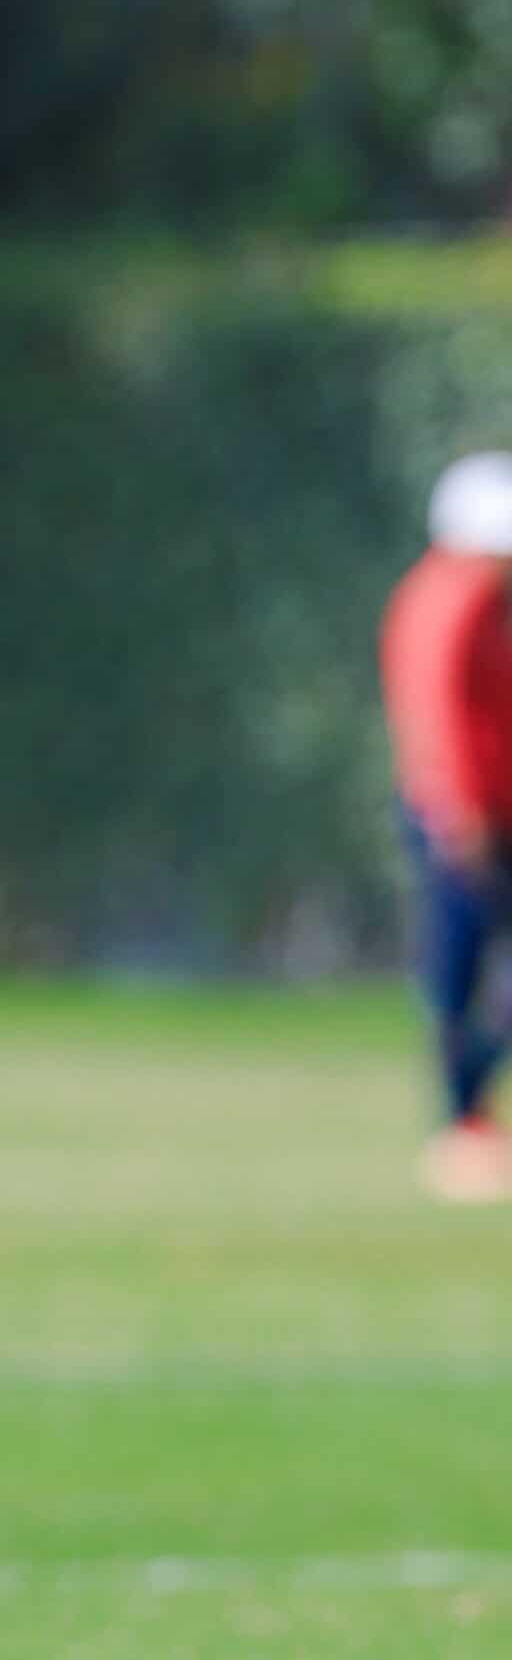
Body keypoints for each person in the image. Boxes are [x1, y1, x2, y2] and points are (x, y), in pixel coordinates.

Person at [381, 451, 512, 1202]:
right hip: (466, 817)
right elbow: (434, 715)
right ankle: (461, 1121)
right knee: (463, 974)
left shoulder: (486, 602)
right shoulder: (450, 598)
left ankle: (470, 1120)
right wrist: (459, 811)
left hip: (490, 811)